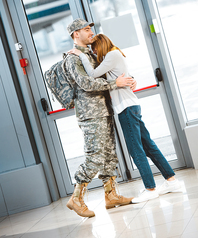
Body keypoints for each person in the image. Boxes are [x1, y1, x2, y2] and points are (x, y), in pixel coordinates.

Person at [68, 33, 182, 203]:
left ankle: (150, 188)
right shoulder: (115, 55)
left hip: (126, 109)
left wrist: (82, 55)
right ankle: (171, 181)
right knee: (148, 146)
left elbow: (92, 74)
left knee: (136, 150)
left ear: (100, 45)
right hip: (131, 106)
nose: (95, 52)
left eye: (95, 48)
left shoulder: (112, 55)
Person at [65, 19, 136, 218]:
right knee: (94, 156)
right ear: (75, 34)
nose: (91, 32)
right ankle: (76, 199)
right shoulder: (73, 58)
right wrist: (116, 83)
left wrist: (127, 80)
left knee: (108, 155)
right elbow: (87, 84)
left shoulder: (91, 54)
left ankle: (111, 195)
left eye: (90, 28)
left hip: (104, 110)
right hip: (90, 115)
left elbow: (108, 73)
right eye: (86, 29)